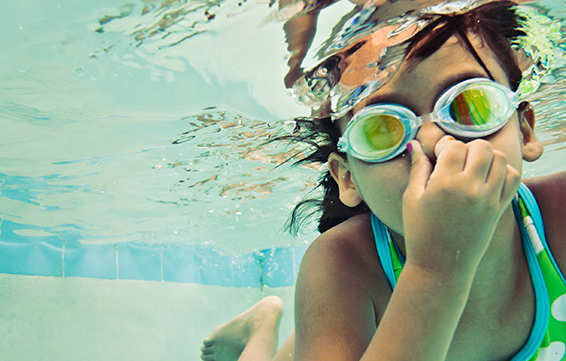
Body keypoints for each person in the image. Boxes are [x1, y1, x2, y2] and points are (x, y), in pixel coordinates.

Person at [201, 1, 566, 360]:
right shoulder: (341, 265)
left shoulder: (561, 214)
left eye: (470, 105)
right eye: (381, 129)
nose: (433, 141)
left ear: (525, 130)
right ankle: (260, 328)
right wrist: (437, 267)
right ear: (348, 178)